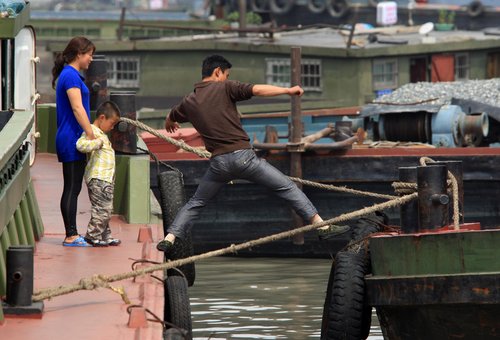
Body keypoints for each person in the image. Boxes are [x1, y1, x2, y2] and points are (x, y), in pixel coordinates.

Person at [156, 54, 349, 253]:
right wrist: (288, 90)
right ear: (218, 72)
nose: (227, 78)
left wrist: (169, 120)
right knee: (287, 187)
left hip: (219, 165)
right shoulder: (226, 87)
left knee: (196, 202)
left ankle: (170, 238)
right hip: (244, 159)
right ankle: (322, 226)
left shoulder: (189, 100)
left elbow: (172, 114)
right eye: (226, 74)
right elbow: (257, 89)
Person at [52, 36, 96, 247]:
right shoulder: (70, 76)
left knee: (74, 186)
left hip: (73, 138)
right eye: (89, 54)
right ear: (79, 54)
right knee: (71, 187)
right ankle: (71, 235)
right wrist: (91, 134)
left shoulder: (71, 75)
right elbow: (77, 108)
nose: (91, 59)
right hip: (71, 138)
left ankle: (73, 233)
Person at [76, 101, 121, 247]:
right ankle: (92, 235)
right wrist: (97, 143)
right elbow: (80, 145)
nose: (112, 127)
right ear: (102, 118)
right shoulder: (92, 132)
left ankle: (105, 236)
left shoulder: (101, 134)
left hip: (106, 180)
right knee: (103, 209)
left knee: (106, 209)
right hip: (99, 178)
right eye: (111, 123)